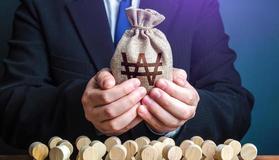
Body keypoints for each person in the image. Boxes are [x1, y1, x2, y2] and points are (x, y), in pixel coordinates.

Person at [0, 0, 254, 149]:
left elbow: (235, 105)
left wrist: (187, 114)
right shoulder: (43, 4)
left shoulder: (195, 5)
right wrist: (81, 107)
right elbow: (10, 103)